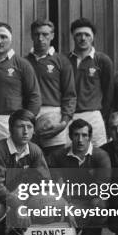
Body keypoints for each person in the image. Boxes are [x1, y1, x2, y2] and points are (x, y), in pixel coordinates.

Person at [0, 109, 51, 235]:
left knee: (46, 203)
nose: (25, 131)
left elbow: (45, 181)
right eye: (20, 126)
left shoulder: (35, 150)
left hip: (23, 195)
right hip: (1, 196)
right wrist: (18, 205)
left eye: (29, 127)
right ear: (11, 129)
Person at [48, 119, 111, 235]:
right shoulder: (58, 156)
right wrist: (66, 204)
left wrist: (77, 193)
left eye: (84, 135)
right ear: (71, 136)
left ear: (90, 137)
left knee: (99, 204)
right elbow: (55, 184)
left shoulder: (101, 156)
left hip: (91, 200)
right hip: (69, 200)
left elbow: (101, 186)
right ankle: (73, 232)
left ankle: (93, 234)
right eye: (76, 135)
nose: (80, 140)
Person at [25, 19, 76, 158]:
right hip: (29, 116)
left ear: (52, 36)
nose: (41, 38)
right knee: (29, 160)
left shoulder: (62, 61)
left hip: (53, 116)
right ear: (31, 36)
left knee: (55, 160)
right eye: (37, 34)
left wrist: (64, 122)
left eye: (45, 34)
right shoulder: (23, 62)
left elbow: (70, 95)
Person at [0, 22, 41, 145]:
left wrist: (25, 122)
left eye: (3, 37)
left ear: (10, 40)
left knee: (10, 159)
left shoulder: (22, 64)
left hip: (10, 121)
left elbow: (34, 96)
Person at [67, 18, 113, 147]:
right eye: (78, 35)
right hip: (70, 116)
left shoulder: (102, 60)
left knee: (98, 153)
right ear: (73, 37)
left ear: (92, 37)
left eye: (87, 35)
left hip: (94, 115)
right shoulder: (64, 60)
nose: (83, 38)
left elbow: (108, 92)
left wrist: (102, 117)